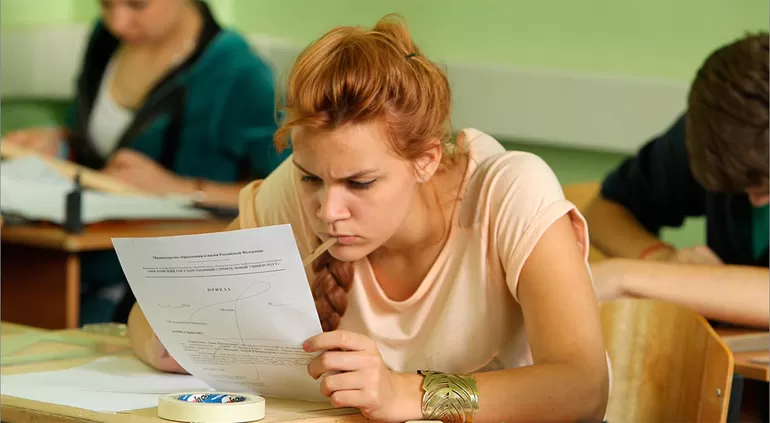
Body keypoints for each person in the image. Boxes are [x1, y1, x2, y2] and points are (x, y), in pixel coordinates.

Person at [126, 14, 611, 423]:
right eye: (310, 178)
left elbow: (584, 388)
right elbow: (150, 318)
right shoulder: (296, 189)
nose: (327, 211)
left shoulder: (510, 191)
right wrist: (186, 343)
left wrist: (404, 392)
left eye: (360, 184)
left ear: (425, 160)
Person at [3, 0, 289, 324]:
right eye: (105, 4)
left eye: (137, 5)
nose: (118, 22)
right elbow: (101, 148)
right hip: (75, 260)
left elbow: (289, 189)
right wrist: (60, 140)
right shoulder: (106, 40)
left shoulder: (238, 74)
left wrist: (180, 189)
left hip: (159, 286)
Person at [585, 33, 769, 329]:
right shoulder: (719, 133)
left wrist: (628, 277)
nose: (756, 201)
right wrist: (659, 258)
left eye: (765, 187)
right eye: (742, 188)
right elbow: (604, 212)